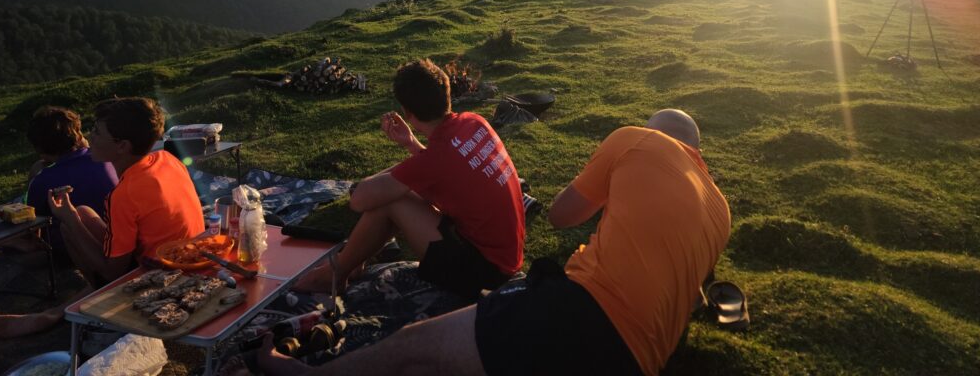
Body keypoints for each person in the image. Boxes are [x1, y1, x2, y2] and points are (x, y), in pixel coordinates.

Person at [258, 108, 730, 376]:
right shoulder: (720, 211)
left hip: (580, 312)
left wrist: (614, 190)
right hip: (641, 362)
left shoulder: (636, 142)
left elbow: (564, 215)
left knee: (411, 345)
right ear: (699, 153)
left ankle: (302, 373)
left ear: (653, 131)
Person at [297, 59, 524, 301]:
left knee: (392, 202)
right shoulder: (473, 122)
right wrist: (411, 145)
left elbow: (359, 199)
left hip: (483, 275)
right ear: (447, 94)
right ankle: (350, 264)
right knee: (398, 192)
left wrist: (400, 171)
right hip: (503, 259)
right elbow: (445, 166)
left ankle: (335, 274)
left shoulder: (436, 159)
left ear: (407, 112)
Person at [0, 96, 205, 338]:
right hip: (188, 258)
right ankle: (68, 305)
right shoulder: (166, 159)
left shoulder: (125, 194)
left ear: (122, 146)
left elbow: (113, 271)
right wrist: (76, 215)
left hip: (162, 279)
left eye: (97, 132)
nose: (89, 137)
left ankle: (91, 306)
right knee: (84, 212)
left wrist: (69, 218)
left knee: (71, 225)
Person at [24, 106, 119, 259]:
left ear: (39, 148)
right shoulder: (104, 159)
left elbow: (33, 222)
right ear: (77, 134)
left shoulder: (42, 180)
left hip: (71, 247)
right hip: (113, 234)